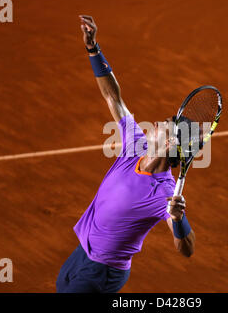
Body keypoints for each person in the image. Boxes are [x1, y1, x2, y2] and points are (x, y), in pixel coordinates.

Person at [56, 15, 195, 293]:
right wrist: (93, 49)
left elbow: (186, 248)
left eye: (161, 128)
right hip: (82, 252)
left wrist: (178, 220)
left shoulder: (164, 192)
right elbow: (113, 97)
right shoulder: (137, 146)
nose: (153, 126)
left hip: (102, 271)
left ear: (168, 145)